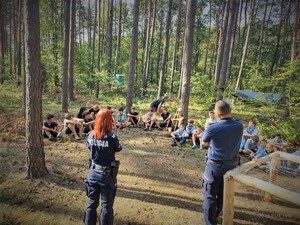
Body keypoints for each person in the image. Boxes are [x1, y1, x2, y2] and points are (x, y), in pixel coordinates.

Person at [202, 100, 243, 225]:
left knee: (209, 195)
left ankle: (210, 222)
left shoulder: (213, 127)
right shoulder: (239, 125)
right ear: (230, 111)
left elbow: (204, 142)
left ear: (218, 115)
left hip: (215, 165)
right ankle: (216, 215)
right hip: (232, 165)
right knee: (222, 193)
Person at [84, 108, 122, 225]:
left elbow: (90, 148)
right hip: (106, 175)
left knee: (91, 204)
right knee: (106, 205)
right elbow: (118, 149)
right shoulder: (112, 137)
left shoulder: (90, 135)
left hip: (93, 173)